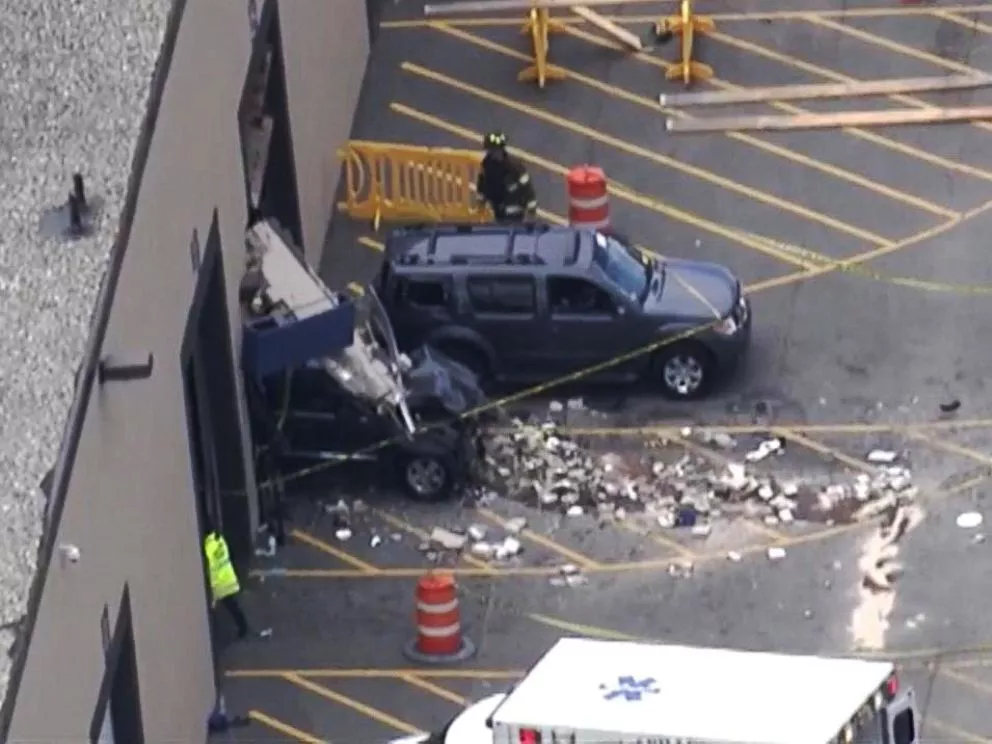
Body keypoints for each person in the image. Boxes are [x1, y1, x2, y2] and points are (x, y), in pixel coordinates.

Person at [476, 131, 538, 224]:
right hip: (498, 211)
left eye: (494, 150)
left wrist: (531, 209)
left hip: (515, 212)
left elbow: (527, 189)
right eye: (490, 150)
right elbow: (482, 185)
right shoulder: (487, 165)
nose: (493, 153)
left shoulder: (515, 167)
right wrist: (481, 203)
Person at [204, 528, 250, 639]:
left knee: (231, 606)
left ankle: (243, 627)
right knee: (233, 605)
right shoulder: (220, 540)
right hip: (229, 578)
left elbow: (213, 570)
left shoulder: (209, 546)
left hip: (222, 583)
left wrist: (214, 595)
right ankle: (243, 626)